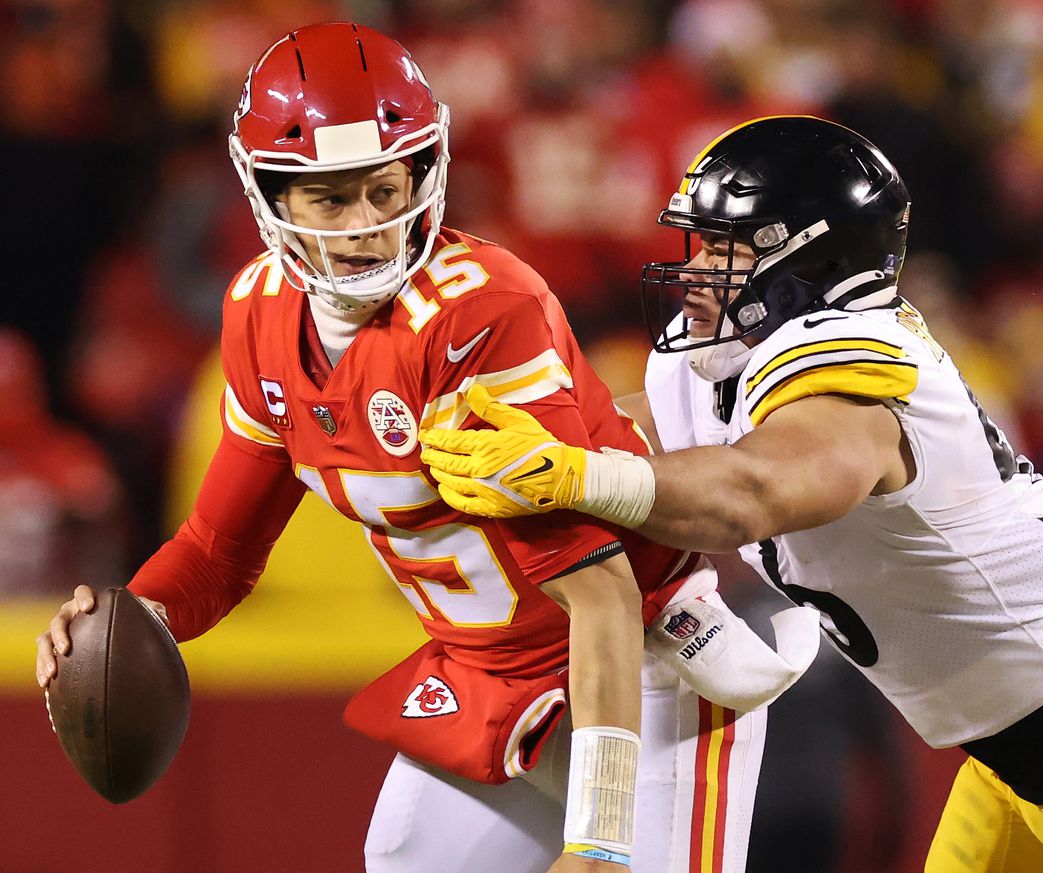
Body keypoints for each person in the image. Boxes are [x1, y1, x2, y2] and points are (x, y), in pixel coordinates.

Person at [419, 116, 1043, 873]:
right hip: (1025, 755)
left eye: (726, 249)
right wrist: (533, 433)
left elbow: (760, 488)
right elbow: (650, 443)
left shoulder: (852, 364)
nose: (697, 272)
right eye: (700, 245)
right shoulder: (718, 364)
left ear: (812, 262)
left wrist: (580, 474)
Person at [34, 24, 794, 873]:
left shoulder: (476, 315)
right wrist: (122, 625)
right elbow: (219, 550)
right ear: (273, 199)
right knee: (406, 856)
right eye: (331, 199)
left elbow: (603, 592)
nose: (368, 227)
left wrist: (602, 838)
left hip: (639, 664)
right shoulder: (258, 314)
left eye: (384, 190)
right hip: (487, 673)